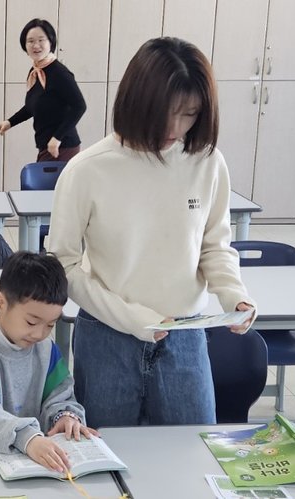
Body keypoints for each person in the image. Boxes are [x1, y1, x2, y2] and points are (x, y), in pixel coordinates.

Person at [46, 38, 255, 427]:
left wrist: (233, 294)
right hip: (107, 336)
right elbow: (63, 264)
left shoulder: (207, 162)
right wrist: (130, 318)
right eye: (166, 114)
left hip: (185, 335)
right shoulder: (88, 169)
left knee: (190, 452)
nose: (175, 129)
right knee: (106, 453)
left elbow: (214, 244)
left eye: (190, 114)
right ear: (136, 102)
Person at [0, 252, 95, 473]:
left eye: (50, 325)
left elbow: (61, 396)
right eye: (31, 322)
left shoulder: (47, 350)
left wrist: (65, 416)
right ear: (0, 302)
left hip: (33, 464)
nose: (40, 334)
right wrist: (26, 437)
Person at [0, 19, 86, 163]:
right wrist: (10, 122)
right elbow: (33, 105)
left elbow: (80, 106)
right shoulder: (36, 71)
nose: (36, 45)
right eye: (30, 41)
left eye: (41, 40)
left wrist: (57, 138)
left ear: (51, 42)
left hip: (62, 147)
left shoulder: (59, 73)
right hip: (47, 145)